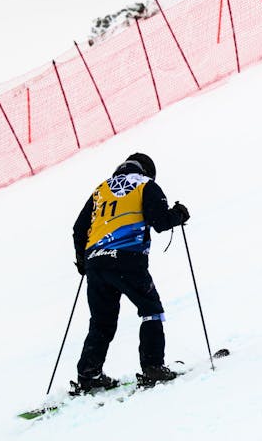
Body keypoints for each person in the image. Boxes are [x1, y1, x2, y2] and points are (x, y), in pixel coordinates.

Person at [70, 152, 191, 392]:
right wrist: (179, 214)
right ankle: (153, 367)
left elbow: (78, 229)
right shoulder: (145, 185)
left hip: (96, 262)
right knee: (151, 310)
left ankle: (88, 374)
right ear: (147, 171)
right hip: (128, 259)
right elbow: (160, 222)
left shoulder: (100, 190)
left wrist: (83, 261)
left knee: (101, 322)